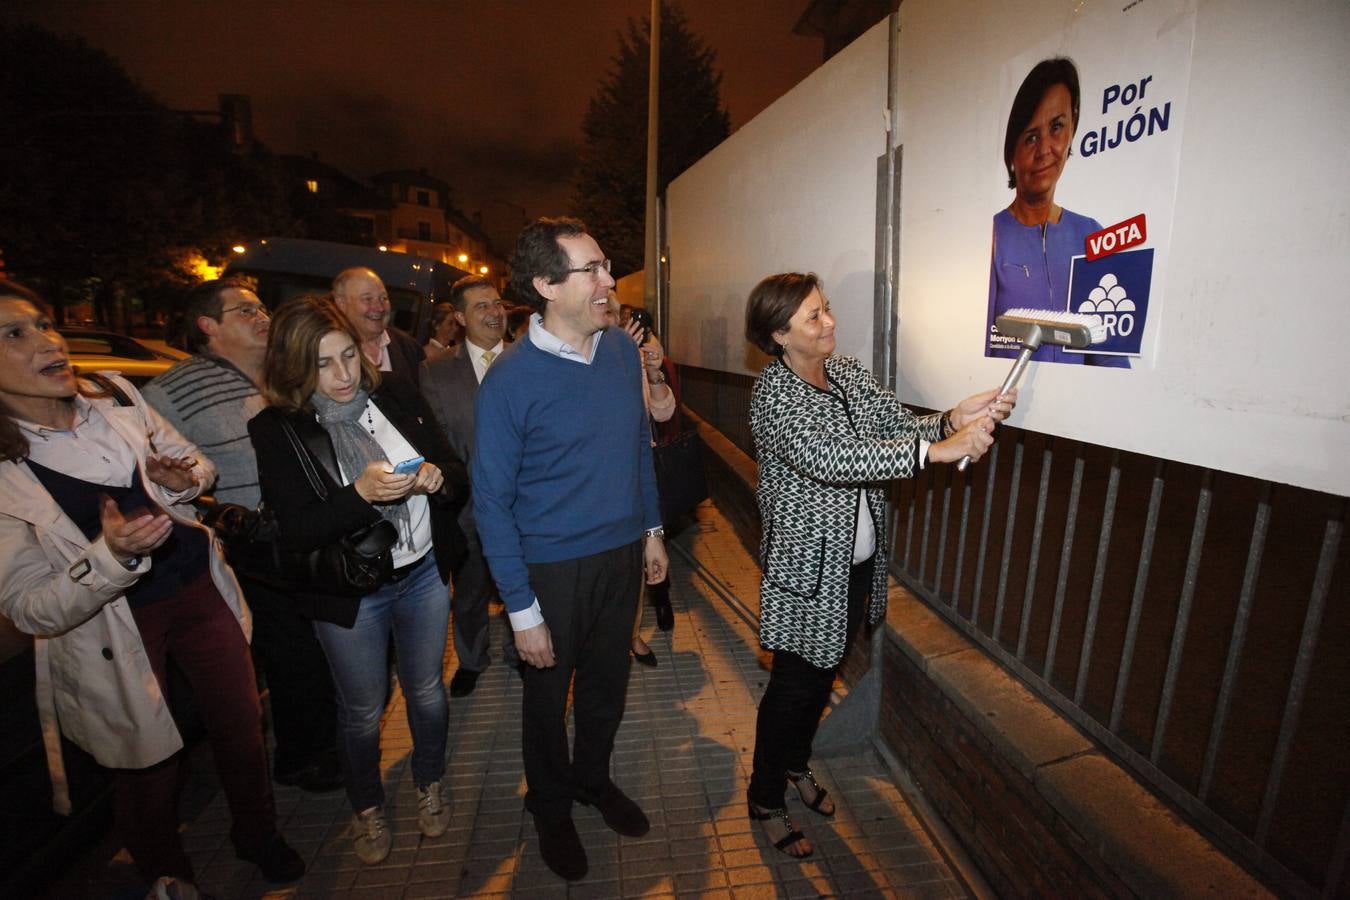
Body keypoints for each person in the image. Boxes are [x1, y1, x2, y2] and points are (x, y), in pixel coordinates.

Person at [0, 279, 303, 888]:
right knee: (147, 763)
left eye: (44, 324)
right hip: (112, 626)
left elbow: (197, 464)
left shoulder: (112, 397)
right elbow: (30, 607)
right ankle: (170, 878)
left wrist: (179, 477)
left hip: (196, 589)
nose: (47, 341)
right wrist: (109, 557)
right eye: (15, 333)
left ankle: (258, 834)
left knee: (241, 724)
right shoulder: (9, 469)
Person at [744, 272, 1015, 859]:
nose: (830, 323)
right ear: (778, 335)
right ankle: (765, 796)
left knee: (821, 681)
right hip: (805, 576)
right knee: (793, 689)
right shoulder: (773, 395)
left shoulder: (846, 375)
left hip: (853, 571)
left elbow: (893, 428)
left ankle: (795, 765)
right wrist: (937, 451)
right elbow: (831, 456)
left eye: (827, 309)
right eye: (813, 317)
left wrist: (951, 418)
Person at [473, 217, 666, 881]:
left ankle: (593, 780)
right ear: (547, 286)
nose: (609, 280)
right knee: (546, 701)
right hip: (550, 567)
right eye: (592, 270)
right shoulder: (510, 381)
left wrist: (652, 530)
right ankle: (550, 807)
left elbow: (638, 444)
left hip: (620, 556)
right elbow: (492, 505)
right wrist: (521, 610)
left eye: (604, 265)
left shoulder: (615, 350)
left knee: (607, 688)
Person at [248, 295, 469, 865]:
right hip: (350, 595)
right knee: (363, 711)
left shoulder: (394, 394)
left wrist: (436, 480)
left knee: (426, 690)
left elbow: (453, 473)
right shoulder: (279, 429)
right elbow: (296, 531)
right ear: (294, 367)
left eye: (348, 355)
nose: (344, 375)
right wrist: (361, 495)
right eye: (323, 364)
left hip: (420, 574)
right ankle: (367, 807)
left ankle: (429, 782)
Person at [142, 278, 342, 794]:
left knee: (321, 647)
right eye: (244, 311)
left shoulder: (283, 373)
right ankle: (303, 759)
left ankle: (325, 744)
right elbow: (158, 472)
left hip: (310, 533)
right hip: (252, 550)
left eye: (261, 307)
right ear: (208, 326)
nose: (262, 317)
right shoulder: (171, 390)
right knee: (292, 653)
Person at [986, 56, 1127, 368]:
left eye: (1057, 127)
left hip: (1078, 408)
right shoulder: (992, 235)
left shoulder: (1091, 234)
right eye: (1031, 136)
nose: (1045, 149)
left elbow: (1111, 357)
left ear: (1072, 130)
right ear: (1012, 151)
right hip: (1008, 409)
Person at [419, 275, 520, 697]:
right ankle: (472, 658)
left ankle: (522, 653)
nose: (494, 312)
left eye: (497, 304)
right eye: (481, 306)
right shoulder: (436, 371)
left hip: (525, 503)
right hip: (469, 506)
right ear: (459, 317)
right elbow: (438, 440)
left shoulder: (527, 359)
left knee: (523, 582)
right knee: (471, 588)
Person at [604, 294, 676, 667]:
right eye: (611, 315)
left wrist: (652, 372)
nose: (617, 321)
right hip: (601, 477)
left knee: (638, 559)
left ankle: (631, 635)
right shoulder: (592, 358)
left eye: (620, 315)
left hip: (639, 471)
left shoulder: (638, 353)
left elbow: (663, 412)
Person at [332, 266, 427, 386]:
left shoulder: (409, 348)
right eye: (367, 299)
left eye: (384, 298)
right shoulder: (327, 351)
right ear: (341, 304)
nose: (379, 307)